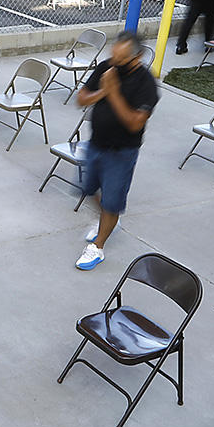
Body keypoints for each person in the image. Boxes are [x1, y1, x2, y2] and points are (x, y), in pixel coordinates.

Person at [73, 32, 159, 271]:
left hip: (122, 152)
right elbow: (81, 99)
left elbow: (134, 123)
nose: (115, 63)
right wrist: (102, 91)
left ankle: (98, 246)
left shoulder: (146, 85)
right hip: (96, 144)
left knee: (111, 202)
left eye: (121, 60)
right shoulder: (106, 68)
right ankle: (108, 223)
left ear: (138, 57)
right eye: (114, 57)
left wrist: (112, 92)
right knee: (88, 189)